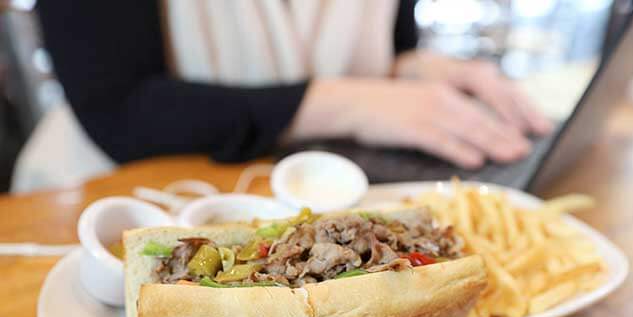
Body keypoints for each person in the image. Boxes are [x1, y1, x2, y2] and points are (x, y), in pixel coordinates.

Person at [29, 0, 550, 186]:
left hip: (317, 175)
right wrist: (355, 102)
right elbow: (121, 109)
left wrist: (412, 70)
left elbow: (383, 44)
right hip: (108, 187)